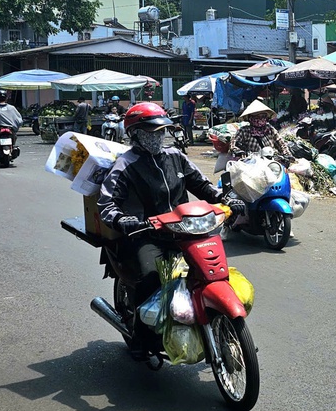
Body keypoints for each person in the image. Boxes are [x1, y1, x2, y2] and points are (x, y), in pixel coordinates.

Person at [97, 102, 238, 357]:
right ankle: (140, 337)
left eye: (161, 131)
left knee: (210, 270)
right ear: (136, 134)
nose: (158, 136)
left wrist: (225, 198)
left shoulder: (175, 156)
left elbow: (202, 185)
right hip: (145, 233)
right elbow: (106, 202)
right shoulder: (125, 164)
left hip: (183, 229)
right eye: (152, 132)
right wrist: (122, 219)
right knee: (151, 278)